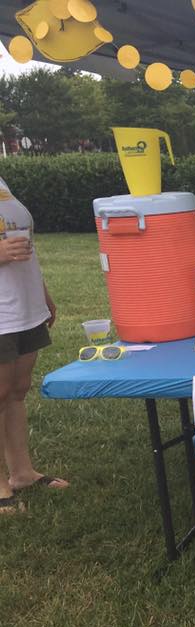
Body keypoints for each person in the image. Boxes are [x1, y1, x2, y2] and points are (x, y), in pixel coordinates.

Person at [0, 177, 68, 514]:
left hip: (21, 306)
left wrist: (41, 292)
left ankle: (22, 473)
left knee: (16, 390)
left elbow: (26, 244)